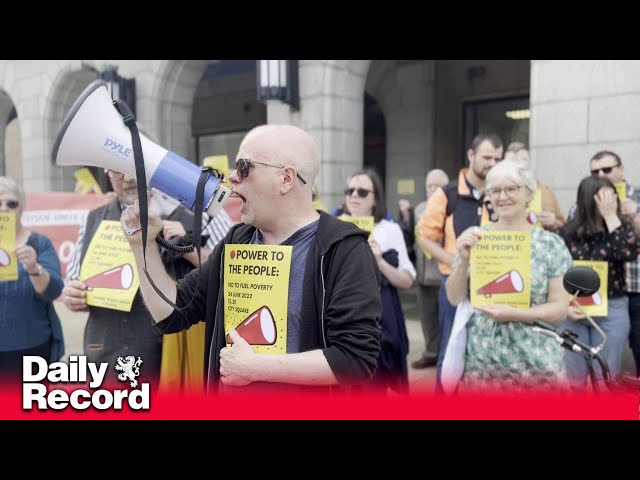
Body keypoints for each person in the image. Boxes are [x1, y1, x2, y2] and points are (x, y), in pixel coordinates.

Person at [120, 124, 382, 394]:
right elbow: (171, 313)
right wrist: (143, 247)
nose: (233, 177)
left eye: (245, 167)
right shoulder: (237, 241)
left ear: (286, 179)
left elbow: (355, 359)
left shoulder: (343, 250)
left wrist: (257, 367)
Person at [62, 168, 201, 388]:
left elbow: (217, 276)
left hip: (164, 360)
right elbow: (73, 280)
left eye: (134, 169)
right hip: (104, 357)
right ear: (107, 175)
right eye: (117, 172)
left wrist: (188, 246)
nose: (127, 178)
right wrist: (72, 294)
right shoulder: (93, 218)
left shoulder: (185, 215)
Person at [445, 160, 573, 392]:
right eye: (494, 190)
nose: (502, 196)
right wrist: (463, 261)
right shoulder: (475, 238)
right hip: (482, 368)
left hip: (536, 367)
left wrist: (515, 314)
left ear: (529, 195)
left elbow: (559, 310)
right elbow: (454, 297)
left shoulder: (550, 244)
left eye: (511, 189)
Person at [417, 133, 503, 392]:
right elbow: (425, 237)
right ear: (471, 156)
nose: (492, 163)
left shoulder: (501, 192)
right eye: (487, 157)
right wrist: (456, 260)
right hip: (455, 284)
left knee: (487, 354)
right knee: (451, 352)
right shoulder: (448, 193)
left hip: (495, 283)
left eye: (497, 159)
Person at [559, 175, 639, 389]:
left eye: (612, 197)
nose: (610, 201)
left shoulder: (621, 228)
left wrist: (611, 216)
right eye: (604, 198)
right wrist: (563, 306)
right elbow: (556, 271)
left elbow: (628, 252)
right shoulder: (568, 232)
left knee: (605, 379)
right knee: (572, 379)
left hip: (611, 308)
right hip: (574, 308)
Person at [342, 168, 415, 394]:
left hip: (380, 324)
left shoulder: (390, 230)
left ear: (376, 199)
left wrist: (380, 262)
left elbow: (408, 279)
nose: (354, 195)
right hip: (343, 320)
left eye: (362, 191)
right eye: (350, 190)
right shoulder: (335, 226)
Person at [0, 176, 64, 382]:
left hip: (32, 346)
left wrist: (34, 268)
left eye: (11, 203)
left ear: (21, 207)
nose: (4, 209)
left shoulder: (38, 243)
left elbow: (54, 290)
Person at [411, 168, 449, 369]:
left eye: (437, 186)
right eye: (429, 186)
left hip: (442, 273)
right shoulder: (419, 209)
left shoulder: (450, 209)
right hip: (422, 273)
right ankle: (430, 352)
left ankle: (443, 354)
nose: (433, 190)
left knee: (443, 318)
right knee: (427, 319)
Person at [504, 142, 565, 232]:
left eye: (523, 160)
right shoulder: (495, 192)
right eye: (513, 161)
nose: (518, 165)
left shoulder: (545, 192)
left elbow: (563, 225)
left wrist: (553, 223)